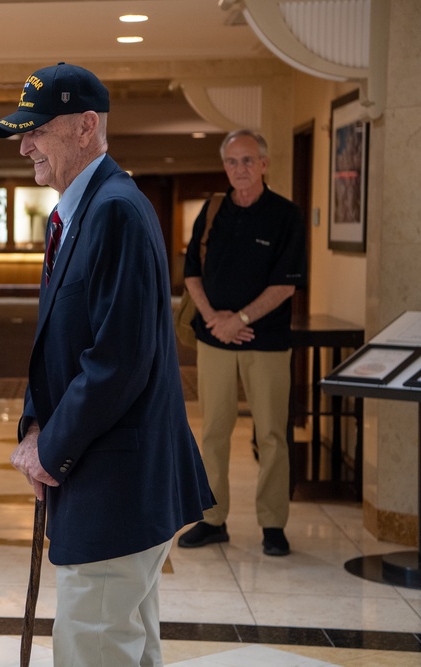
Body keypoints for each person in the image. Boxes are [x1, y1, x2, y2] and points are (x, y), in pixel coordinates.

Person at [0, 62, 213, 666]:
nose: (25, 145)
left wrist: (48, 447)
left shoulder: (115, 210)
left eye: (37, 129)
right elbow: (62, 346)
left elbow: (119, 360)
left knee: (94, 647)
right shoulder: (74, 212)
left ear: (86, 127)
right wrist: (36, 424)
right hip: (105, 474)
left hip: (117, 481)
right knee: (124, 646)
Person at [177, 129, 307, 557]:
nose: (240, 170)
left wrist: (242, 319)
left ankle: (273, 524)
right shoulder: (213, 211)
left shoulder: (286, 215)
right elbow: (191, 271)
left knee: (271, 435)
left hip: (265, 341)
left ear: (264, 164)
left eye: (248, 161)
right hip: (215, 339)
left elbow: (286, 285)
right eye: (232, 162)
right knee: (214, 431)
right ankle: (213, 520)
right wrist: (215, 319)